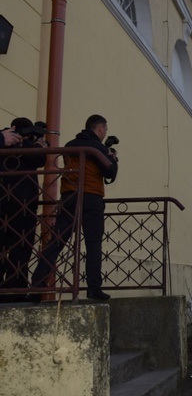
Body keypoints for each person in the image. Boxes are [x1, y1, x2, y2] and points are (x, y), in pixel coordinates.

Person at [31, 114, 117, 301]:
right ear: (100, 129)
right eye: (105, 130)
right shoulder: (97, 147)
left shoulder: (71, 144)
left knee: (57, 241)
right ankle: (94, 288)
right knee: (93, 244)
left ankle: (37, 284)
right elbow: (110, 171)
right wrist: (112, 158)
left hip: (69, 196)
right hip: (91, 197)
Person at [0, 118, 47, 301]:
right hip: (22, 203)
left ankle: (11, 290)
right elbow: (39, 158)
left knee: (10, 247)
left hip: (8, 201)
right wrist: (38, 145)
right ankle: (15, 290)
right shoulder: (12, 141)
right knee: (21, 247)